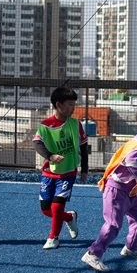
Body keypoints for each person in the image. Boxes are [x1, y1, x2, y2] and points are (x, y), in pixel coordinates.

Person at [81, 105, 137, 273]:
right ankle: (93, 253)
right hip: (116, 190)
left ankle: (131, 248)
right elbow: (132, 164)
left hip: (128, 191)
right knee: (113, 224)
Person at [32, 87, 88, 250]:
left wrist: (84, 169)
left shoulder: (76, 124)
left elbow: (84, 147)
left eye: (74, 104)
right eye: (70, 104)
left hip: (68, 172)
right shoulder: (45, 125)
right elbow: (37, 143)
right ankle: (69, 217)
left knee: (57, 206)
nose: (73, 108)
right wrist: (50, 156)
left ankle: (53, 238)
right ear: (59, 104)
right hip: (49, 172)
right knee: (45, 210)